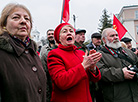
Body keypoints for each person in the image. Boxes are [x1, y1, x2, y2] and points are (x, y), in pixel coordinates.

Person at [0, 3, 46, 102]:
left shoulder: (32, 51)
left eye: (27, 19)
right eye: (16, 17)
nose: (23, 21)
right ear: (4, 25)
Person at [47, 23, 102, 102]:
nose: (69, 33)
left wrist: (92, 67)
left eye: (71, 31)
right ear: (59, 38)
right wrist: (83, 66)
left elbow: (94, 79)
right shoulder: (54, 54)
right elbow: (61, 82)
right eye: (64, 31)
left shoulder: (81, 53)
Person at [96, 28, 138, 102]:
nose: (115, 37)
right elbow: (101, 73)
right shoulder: (99, 55)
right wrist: (121, 73)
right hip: (117, 97)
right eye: (112, 36)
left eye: (116, 35)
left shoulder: (127, 51)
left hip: (135, 94)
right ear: (104, 40)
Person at [40, 29, 57, 102]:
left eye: (52, 34)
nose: (50, 36)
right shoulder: (44, 49)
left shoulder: (59, 47)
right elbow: (41, 62)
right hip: (48, 77)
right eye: (49, 34)